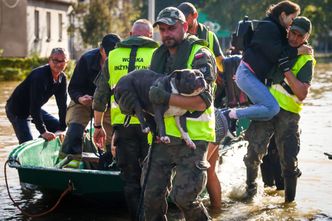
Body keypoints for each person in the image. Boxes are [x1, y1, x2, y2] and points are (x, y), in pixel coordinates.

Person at [123, 7, 217, 221]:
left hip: (193, 138)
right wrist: (131, 104)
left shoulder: (200, 54)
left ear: (184, 26)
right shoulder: (158, 56)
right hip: (161, 138)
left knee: (184, 198)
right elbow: (150, 99)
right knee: (150, 197)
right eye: (162, 29)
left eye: (171, 28)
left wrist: (165, 98)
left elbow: (202, 102)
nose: (166, 34)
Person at [243, 16, 315, 203]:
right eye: (293, 33)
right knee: (252, 155)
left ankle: (289, 205)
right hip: (265, 108)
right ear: (288, 29)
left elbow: (301, 93)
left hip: (288, 114)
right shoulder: (278, 44)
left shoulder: (306, 57)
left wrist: (286, 70)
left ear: (307, 37)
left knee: (289, 162)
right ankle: (250, 195)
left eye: (300, 36)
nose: (295, 38)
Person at [92, 19, 158, 221]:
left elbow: (100, 95)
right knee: (153, 179)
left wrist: (98, 126)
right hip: (151, 127)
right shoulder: (157, 54)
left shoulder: (113, 56)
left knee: (130, 180)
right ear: (150, 36)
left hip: (123, 128)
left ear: (130, 34)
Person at [225, 1, 312, 123]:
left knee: (267, 111)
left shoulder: (277, 28)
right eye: (292, 18)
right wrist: (298, 51)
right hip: (247, 74)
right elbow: (277, 54)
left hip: (249, 74)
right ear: (283, 15)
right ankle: (228, 115)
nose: (293, 23)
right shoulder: (270, 27)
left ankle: (232, 120)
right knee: (272, 108)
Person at [178, 2, 225, 210]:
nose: (182, 23)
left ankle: (211, 209)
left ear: (193, 16)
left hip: (206, 108)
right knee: (210, 169)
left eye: (184, 19)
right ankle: (217, 212)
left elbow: (221, 64)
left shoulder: (208, 37)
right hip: (192, 105)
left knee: (200, 169)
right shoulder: (179, 38)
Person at [60, 33, 121, 165]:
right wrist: (80, 98)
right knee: (74, 131)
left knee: (114, 142)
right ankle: (69, 163)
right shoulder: (86, 60)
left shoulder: (122, 61)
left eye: (115, 54)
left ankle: (111, 164)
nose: (112, 58)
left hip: (108, 106)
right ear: (101, 50)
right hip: (83, 103)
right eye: (108, 54)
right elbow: (73, 88)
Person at [5, 48, 68, 144]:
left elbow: (62, 105)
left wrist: (63, 128)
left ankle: (42, 144)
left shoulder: (62, 79)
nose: (58, 64)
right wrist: (43, 131)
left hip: (33, 108)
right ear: (49, 60)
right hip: (17, 110)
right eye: (55, 60)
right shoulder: (40, 76)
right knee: (27, 142)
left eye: (62, 61)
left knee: (58, 127)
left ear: (66, 63)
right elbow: (35, 106)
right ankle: (35, 146)